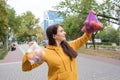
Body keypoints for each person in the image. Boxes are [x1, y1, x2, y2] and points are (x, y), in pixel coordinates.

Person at [22, 23, 92, 80]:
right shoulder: (45, 53)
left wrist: (90, 25)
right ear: (54, 36)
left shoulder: (69, 45)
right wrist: (29, 51)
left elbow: (84, 38)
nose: (65, 32)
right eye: (61, 31)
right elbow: (26, 68)